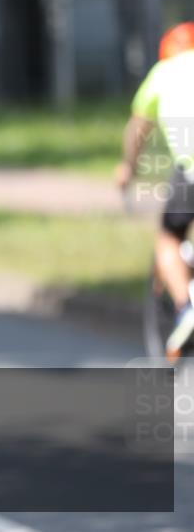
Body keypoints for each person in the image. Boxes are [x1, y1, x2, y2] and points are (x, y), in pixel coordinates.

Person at [117, 21, 194, 362]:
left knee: (169, 237)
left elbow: (138, 130)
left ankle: (185, 307)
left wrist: (128, 169)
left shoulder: (162, 73)